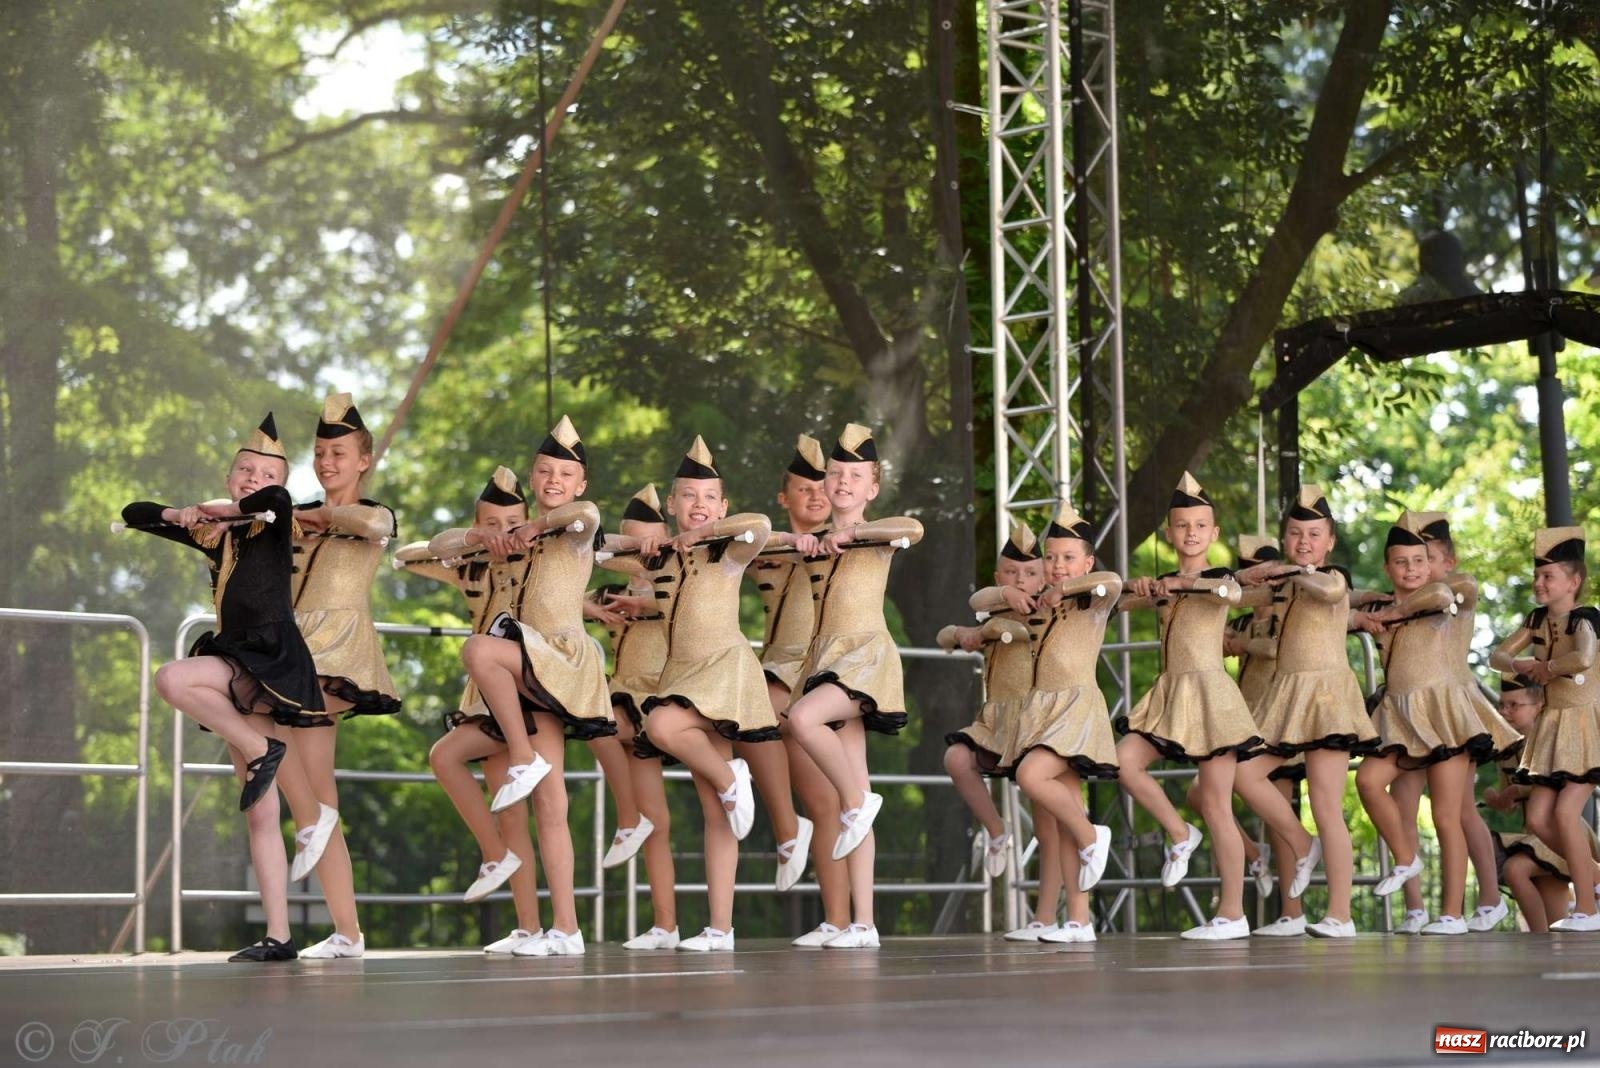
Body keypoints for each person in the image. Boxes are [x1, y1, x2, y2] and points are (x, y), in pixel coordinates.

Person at [125, 413, 321, 961]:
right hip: (237, 658)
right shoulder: (220, 537)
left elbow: (275, 503)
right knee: (259, 811)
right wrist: (181, 514)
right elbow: (134, 514)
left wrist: (219, 510)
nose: (253, 477)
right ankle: (279, 936)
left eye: (264, 471)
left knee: (171, 677)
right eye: (244, 470)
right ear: (229, 474)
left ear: (278, 479)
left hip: (269, 655)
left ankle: (264, 748)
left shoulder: (276, 519)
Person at [441, 415, 616, 956]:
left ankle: (565, 928)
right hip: (520, 671)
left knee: (550, 804)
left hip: (557, 661)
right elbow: (435, 545)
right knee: (450, 756)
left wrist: (534, 528)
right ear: (533, 476)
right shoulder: (513, 536)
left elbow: (586, 516)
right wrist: (482, 535)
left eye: (565, 473)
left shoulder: (576, 528)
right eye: (544, 470)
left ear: (579, 482)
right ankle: (538, 928)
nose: (554, 480)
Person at [637, 436, 780, 952]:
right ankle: (721, 929)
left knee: (661, 726)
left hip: (722, 670)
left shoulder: (728, 549)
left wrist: (706, 531)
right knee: (714, 807)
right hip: (680, 673)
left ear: (721, 505)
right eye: (687, 497)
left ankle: (732, 776)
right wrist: (648, 545)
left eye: (708, 497)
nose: (697, 506)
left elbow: (760, 526)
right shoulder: (663, 555)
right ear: (671, 505)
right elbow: (604, 550)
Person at [395, 466, 546, 954]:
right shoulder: (469, 564)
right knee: (510, 814)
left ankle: (497, 859)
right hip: (484, 699)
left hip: (528, 690)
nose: (502, 533)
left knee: (444, 756)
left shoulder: (540, 557)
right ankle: (527, 927)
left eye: (511, 522)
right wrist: (469, 539)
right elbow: (407, 557)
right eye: (491, 522)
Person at [785, 424, 924, 949]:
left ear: (871, 487)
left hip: (863, 659)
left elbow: (912, 528)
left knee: (802, 720)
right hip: (824, 659)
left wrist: (852, 534)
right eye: (835, 474)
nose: (842, 482)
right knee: (855, 792)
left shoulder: (879, 533)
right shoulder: (814, 539)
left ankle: (857, 802)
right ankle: (859, 923)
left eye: (855, 476)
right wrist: (803, 540)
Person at [276, 392, 401, 959]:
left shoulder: (370, 514)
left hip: (337, 657)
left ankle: (312, 832)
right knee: (319, 795)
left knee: (312, 785)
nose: (328, 462)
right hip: (290, 651)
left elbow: (378, 526)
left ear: (364, 460)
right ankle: (347, 932)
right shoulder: (294, 516)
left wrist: (317, 516)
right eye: (321, 452)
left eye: (340, 452)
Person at [1115, 473, 1263, 940]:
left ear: (1214, 533)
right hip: (1171, 694)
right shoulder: (1163, 580)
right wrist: (1139, 588)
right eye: (1182, 526)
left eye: (1200, 525)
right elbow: (1115, 605)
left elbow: (1231, 593)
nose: (1192, 533)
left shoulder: (1220, 576)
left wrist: (1176, 587)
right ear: (1169, 533)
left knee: (1218, 803)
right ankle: (1180, 833)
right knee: (1125, 762)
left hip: (1211, 696)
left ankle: (1233, 913)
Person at [1234, 484, 1378, 939]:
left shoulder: (1333, 577)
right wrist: (1249, 579)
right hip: (1287, 699)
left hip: (1328, 700)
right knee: (1246, 775)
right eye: (1295, 534)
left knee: (1326, 803)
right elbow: (1231, 599)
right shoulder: (1282, 586)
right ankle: (1302, 842)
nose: (1304, 542)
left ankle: (1340, 914)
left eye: (1314, 534)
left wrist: (1288, 573)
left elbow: (1332, 592)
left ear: (1329, 540)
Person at [1355, 510, 1491, 935]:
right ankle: (1405, 856)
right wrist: (1360, 609)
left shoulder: (1450, 593)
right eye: (1403, 562)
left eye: (1422, 560)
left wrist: (1391, 615)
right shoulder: (1380, 603)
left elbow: (1444, 594)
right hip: (1400, 719)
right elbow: (1333, 607)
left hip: (1446, 717)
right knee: (1368, 781)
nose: (1415, 569)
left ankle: (1451, 913)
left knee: (1448, 815)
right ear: (1388, 566)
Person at [990, 501, 1119, 945]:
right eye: (1051, 557)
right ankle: (1079, 921)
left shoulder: (1093, 599)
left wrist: (1069, 588)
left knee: (1032, 776)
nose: (1058, 566)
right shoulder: (1036, 602)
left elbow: (1112, 581)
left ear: (1086, 561)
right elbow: (977, 601)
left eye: (1068, 558)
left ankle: (1092, 835)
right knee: (1059, 810)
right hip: (1040, 710)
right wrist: (1008, 594)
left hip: (1077, 708)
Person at [938, 521, 1062, 940]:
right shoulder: (990, 604)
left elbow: (1013, 633)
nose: (1020, 581)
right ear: (998, 577)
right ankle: (996, 831)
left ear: (1045, 576)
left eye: (1029, 573)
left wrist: (987, 629)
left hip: (1036, 721)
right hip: (995, 722)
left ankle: (1045, 918)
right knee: (956, 758)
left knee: (1047, 823)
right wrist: (965, 632)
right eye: (1011, 573)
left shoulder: (1048, 606)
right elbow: (948, 630)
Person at [750, 435, 848, 944]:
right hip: (776, 668)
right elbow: (730, 537)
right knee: (819, 800)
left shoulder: (844, 540)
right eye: (802, 490)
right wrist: (791, 544)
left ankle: (841, 916)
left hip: (823, 673)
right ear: (782, 499)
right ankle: (835, 914)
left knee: (829, 800)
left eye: (823, 488)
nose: (815, 497)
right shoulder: (763, 545)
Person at [1489, 525, 1600, 932]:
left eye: (1548, 576)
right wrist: (1520, 665)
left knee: (1567, 814)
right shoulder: (1535, 620)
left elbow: (1585, 659)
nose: (1539, 583)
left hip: (1585, 727)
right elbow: (1497, 656)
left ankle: (1587, 908)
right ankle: (1596, 879)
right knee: (1537, 818)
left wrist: (1547, 668)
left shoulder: (1585, 619)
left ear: (1574, 581)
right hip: (1552, 729)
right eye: (1537, 576)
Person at [594, 483, 680, 949]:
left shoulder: (677, 579)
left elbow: (688, 609)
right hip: (624, 696)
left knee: (597, 722)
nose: (644, 549)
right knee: (657, 821)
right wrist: (591, 604)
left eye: (652, 538)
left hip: (662, 701)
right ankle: (665, 926)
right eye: (634, 539)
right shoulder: (609, 590)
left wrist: (648, 593)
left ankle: (627, 818)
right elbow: (589, 551)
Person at [1484, 674, 1600, 932]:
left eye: (1515, 705)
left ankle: (1537, 938)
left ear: (1539, 706)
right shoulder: (1507, 751)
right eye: (1502, 705)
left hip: (1559, 829)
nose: (1505, 711)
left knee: (1515, 869)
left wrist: (1516, 790)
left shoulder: (1557, 737)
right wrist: (1498, 800)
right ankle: (1548, 950)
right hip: (1535, 835)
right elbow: (1509, 805)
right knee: (1554, 914)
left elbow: (1561, 786)